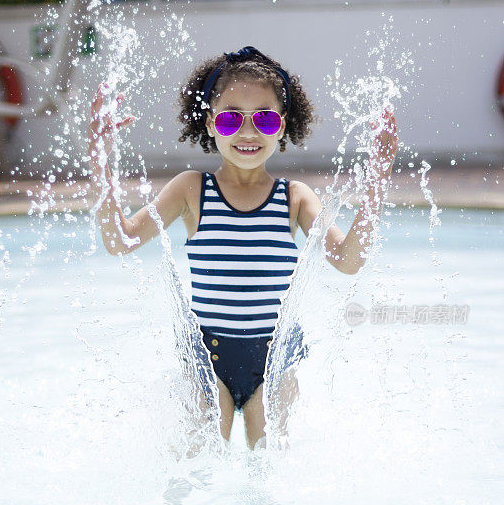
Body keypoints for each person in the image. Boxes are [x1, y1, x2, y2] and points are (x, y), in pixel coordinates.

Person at [88, 45, 398, 449]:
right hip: (206, 360)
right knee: (195, 472)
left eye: (264, 119)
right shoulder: (191, 190)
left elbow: (348, 260)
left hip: (274, 362)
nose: (248, 132)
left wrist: (378, 177)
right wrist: (101, 160)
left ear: (282, 126)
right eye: (232, 117)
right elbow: (121, 239)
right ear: (211, 123)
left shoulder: (296, 198)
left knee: (269, 478)